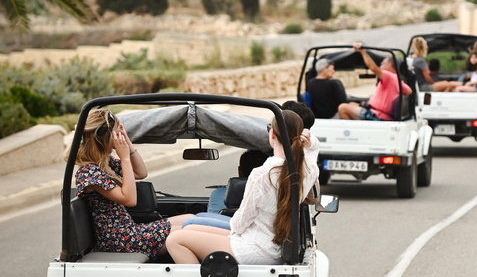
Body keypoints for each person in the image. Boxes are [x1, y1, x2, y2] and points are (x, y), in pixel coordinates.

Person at [166, 110, 320, 265]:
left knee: (175, 239)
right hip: (271, 247)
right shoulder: (308, 171)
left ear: (272, 134)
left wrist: (233, 231)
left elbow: (240, 222)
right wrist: (308, 141)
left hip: (256, 249)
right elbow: (314, 148)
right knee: (189, 230)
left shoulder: (261, 174)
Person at [73, 108, 193, 258]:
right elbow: (130, 199)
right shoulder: (89, 172)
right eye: (115, 135)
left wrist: (127, 142)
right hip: (120, 241)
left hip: (129, 232)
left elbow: (140, 172)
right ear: (102, 139)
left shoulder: (104, 164)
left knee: (190, 220)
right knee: (189, 233)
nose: (118, 139)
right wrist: (124, 158)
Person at [337, 42, 413, 120]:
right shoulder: (397, 80)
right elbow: (409, 91)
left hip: (377, 115)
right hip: (379, 113)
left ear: (389, 65)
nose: (380, 66)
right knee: (351, 104)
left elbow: (373, 68)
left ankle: (352, 132)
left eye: (382, 64)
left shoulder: (389, 76)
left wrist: (363, 52)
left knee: (342, 108)